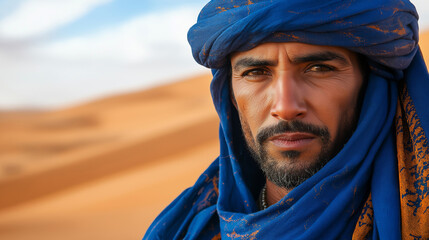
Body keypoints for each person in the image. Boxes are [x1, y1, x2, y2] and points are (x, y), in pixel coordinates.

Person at [144, 0, 429, 239]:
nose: (286, 107)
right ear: (229, 96)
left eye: (319, 68)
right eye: (256, 72)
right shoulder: (186, 230)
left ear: (370, 87)